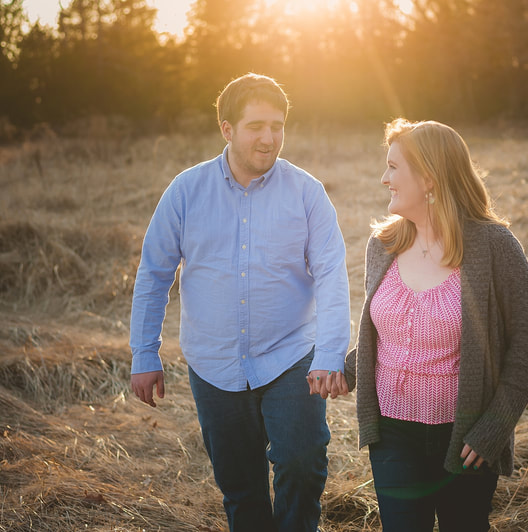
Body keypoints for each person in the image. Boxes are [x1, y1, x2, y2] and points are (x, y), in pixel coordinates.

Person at [129, 73, 350, 532]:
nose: (269, 138)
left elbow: (331, 274)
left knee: (302, 465)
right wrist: (144, 352)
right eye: (256, 126)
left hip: (292, 357)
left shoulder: (307, 192)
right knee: (240, 488)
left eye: (278, 125)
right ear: (227, 129)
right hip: (214, 364)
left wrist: (330, 353)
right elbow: (153, 273)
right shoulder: (186, 192)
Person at [342, 118, 528, 531]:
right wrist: (342, 370)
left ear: (430, 178)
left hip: (466, 436)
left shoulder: (494, 247)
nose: (385, 179)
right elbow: (389, 336)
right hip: (391, 432)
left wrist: (493, 428)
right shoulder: (382, 246)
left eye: (394, 168)